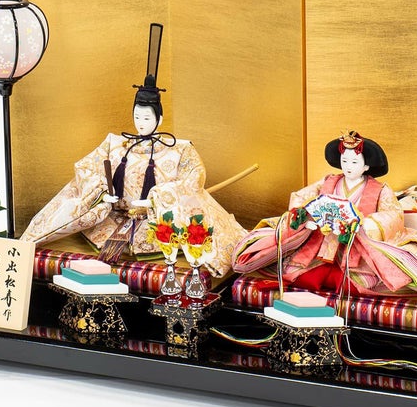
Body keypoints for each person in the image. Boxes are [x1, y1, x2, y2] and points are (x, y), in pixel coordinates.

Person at [21, 24, 247, 278]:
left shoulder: (179, 150)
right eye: (137, 116)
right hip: (111, 221)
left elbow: (193, 179)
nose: (140, 123)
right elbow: (86, 167)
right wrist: (102, 192)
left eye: (147, 117)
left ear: (159, 119)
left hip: (156, 225)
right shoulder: (115, 144)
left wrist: (158, 198)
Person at [231, 130, 417, 297]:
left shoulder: (379, 190)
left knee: (361, 280)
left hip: (357, 247)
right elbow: (302, 198)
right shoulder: (328, 182)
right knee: (302, 271)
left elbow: (393, 215)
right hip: (321, 242)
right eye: (345, 161)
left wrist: (365, 225)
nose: (348, 166)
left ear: (367, 165)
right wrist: (306, 216)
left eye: (354, 161)